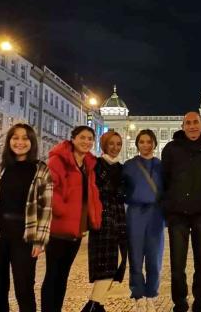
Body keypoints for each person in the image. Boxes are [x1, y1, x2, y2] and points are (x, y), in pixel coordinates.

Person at [0, 123, 52, 312]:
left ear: (32, 142)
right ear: (9, 141)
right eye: (15, 138)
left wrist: (40, 241)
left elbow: (46, 208)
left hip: (25, 237)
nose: (20, 142)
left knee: (24, 290)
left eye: (25, 138)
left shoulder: (41, 170)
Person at [161, 112, 201, 312]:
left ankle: (200, 303)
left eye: (196, 122)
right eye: (189, 123)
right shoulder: (171, 149)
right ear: (183, 125)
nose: (193, 126)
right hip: (177, 214)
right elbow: (164, 179)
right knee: (177, 266)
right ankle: (180, 303)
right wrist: (168, 205)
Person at [42, 126, 103, 312]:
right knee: (52, 274)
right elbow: (48, 189)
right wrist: (63, 210)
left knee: (62, 276)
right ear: (73, 139)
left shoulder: (87, 164)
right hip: (58, 228)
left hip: (76, 229)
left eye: (90, 138)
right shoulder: (58, 160)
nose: (86, 142)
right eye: (82, 138)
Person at [83, 131, 128, 312]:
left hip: (119, 219)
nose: (116, 147)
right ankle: (93, 306)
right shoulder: (97, 165)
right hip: (103, 219)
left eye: (118, 144)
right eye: (112, 144)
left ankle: (96, 305)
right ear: (104, 145)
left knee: (113, 264)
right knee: (105, 266)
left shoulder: (121, 167)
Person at [124, 129, 165, 310]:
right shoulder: (129, 165)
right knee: (135, 254)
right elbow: (121, 190)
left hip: (156, 214)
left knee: (155, 256)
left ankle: (152, 292)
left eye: (149, 141)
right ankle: (137, 292)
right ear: (137, 144)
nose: (146, 145)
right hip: (135, 213)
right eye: (142, 141)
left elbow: (167, 191)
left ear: (155, 144)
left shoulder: (161, 166)